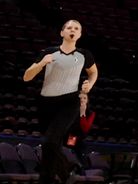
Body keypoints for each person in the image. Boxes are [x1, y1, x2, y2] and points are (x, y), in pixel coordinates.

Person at [22, 18, 98, 184]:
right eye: (69, 27)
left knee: (50, 141)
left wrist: (89, 85)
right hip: (46, 102)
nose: (72, 30)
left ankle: (51, 177)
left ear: (79, 34)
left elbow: (93, 73)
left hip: (70, 102)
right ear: (62, 32)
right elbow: (27, 77)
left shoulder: (84, 54)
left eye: (76, 28)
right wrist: (42, 63)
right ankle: (64, 174)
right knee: (50, 144)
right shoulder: (49, 52)